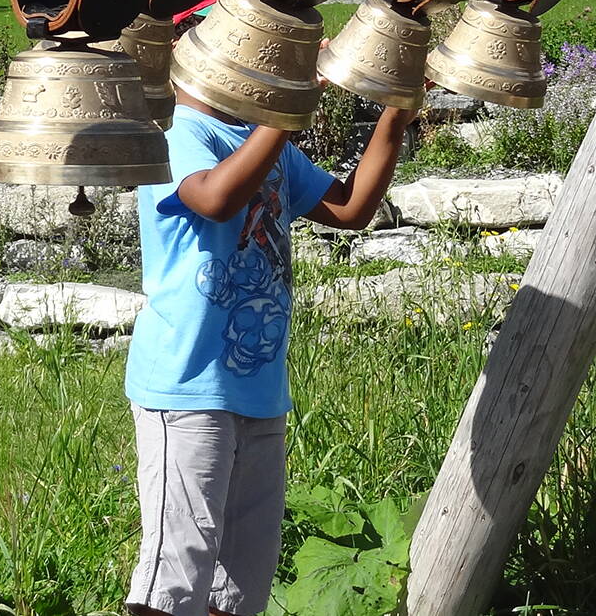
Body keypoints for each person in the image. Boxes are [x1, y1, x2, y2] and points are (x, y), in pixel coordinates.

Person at [125, 39, 417, 616]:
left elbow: (352, 208)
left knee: (240, 588)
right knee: (174, 579)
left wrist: (397, 108)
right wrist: (292, 104)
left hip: (259, 393)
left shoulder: (269, 145)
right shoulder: (178, 135)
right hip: (187, 392)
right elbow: (215, 199)